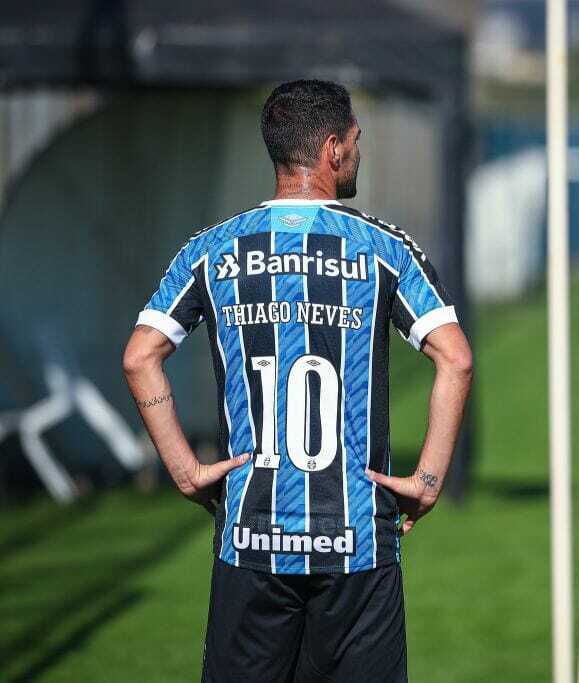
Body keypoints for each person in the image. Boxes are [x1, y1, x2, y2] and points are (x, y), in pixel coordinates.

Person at [122, 79, 472, 682]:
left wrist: (183, 469)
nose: (358, 153)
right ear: (333, 149)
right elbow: (456, 358)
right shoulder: (383, 247)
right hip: (358, 539)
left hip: (250, 536)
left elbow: (139, 357)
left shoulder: (212, 249)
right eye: (356, 141)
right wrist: (429, 479)